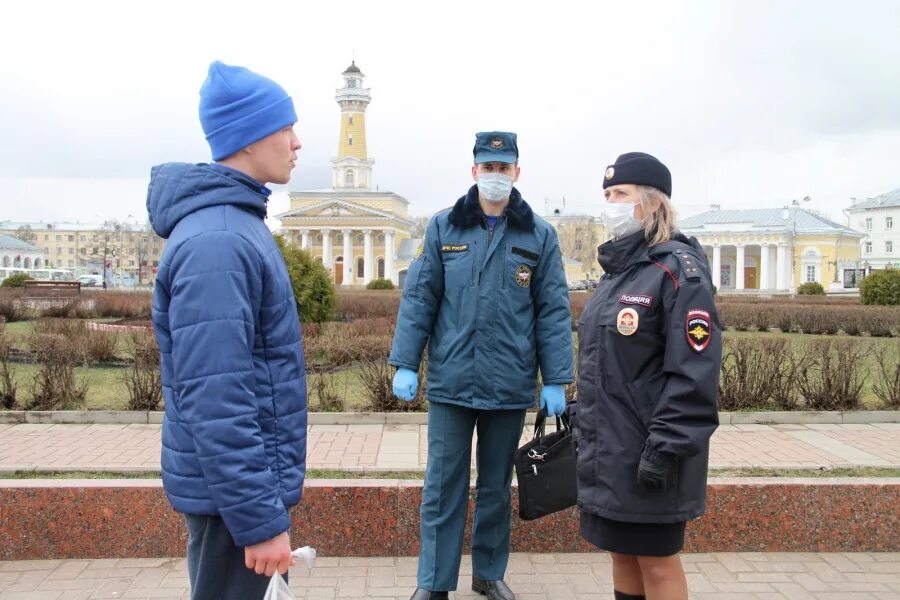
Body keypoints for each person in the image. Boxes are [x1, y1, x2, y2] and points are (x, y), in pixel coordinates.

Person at [389, 131, 574, 600]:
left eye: (503, 167)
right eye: (488, 167)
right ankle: (434, 582)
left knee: (495, 486)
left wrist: (555, 379)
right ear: (474, 171)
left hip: (509, 382)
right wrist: (406, 362)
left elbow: (552, 310)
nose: (496, 175)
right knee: (442, 486)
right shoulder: (444, 227)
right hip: (452, 381)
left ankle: (488, 573)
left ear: (517, 172)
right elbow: (420, 298)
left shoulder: (539, 235)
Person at [146, 61, 307, 600]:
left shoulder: (235, 224)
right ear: (249, 137)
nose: (297, 143)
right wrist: (258, 522)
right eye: (286, 128)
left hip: (234, 494)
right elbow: (218, 397)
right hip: (233, 501)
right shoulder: (219, 239)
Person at [573, 152, 721, 600]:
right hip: (611, 446)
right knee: (622, 553)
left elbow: (694, 372)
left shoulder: (677, 272)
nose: (610, 203)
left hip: (651, 449)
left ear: (653, 202)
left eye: (620, 193)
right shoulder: (619, 273)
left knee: (657, 561)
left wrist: (666, 445)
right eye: (606, 194)